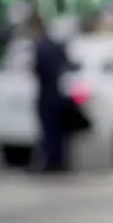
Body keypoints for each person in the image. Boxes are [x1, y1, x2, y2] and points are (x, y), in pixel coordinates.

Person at [30, 12, 75, 173]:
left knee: (49, 131)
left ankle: (51, 162)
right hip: (59, 95)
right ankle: (59, 161)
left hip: (47, 95)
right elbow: (68, 65)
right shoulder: (56, 46)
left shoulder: (40, 47)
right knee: (58, 133)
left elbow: (38, 70)